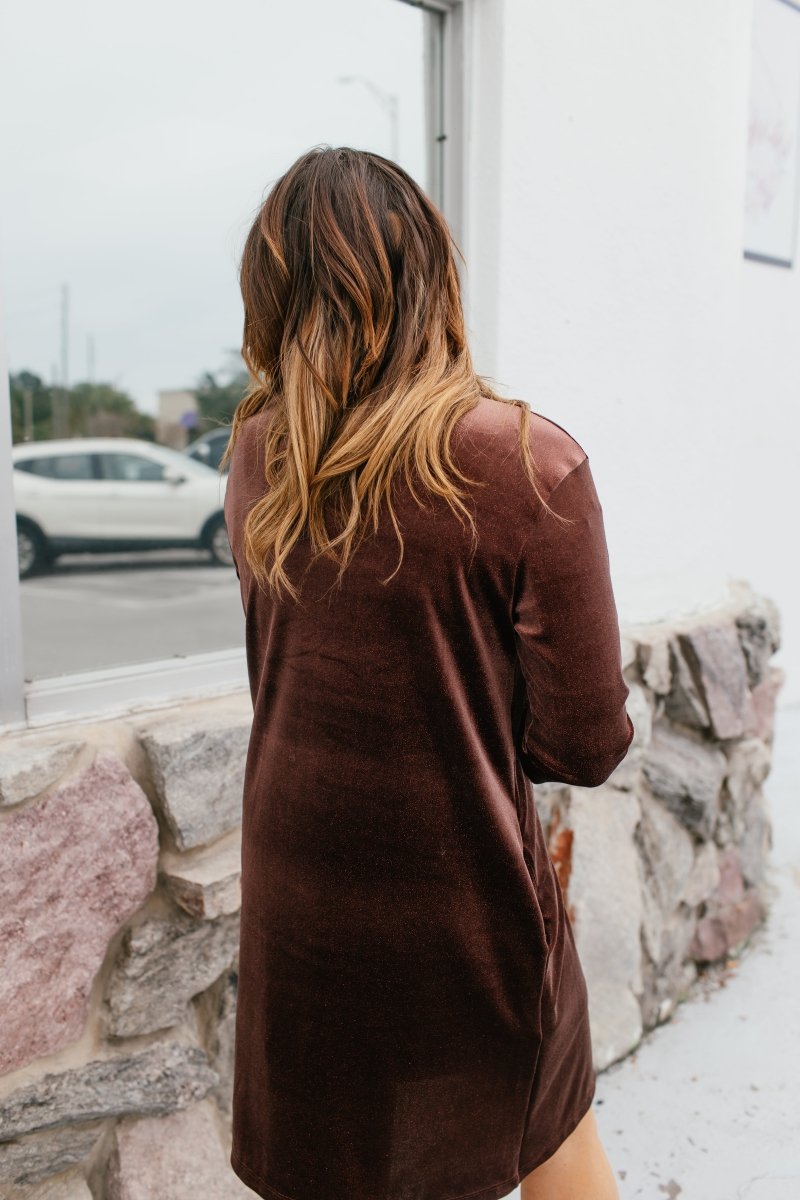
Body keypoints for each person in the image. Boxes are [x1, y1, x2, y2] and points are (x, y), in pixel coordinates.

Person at [222, 144, 634, 1200]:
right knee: (550, 1143)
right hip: (460, 907)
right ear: (430, 280)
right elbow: (581, 746)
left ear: (273, 294)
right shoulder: (524, 464)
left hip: (297, 891)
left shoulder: (259, 455)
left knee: (330, 1167)